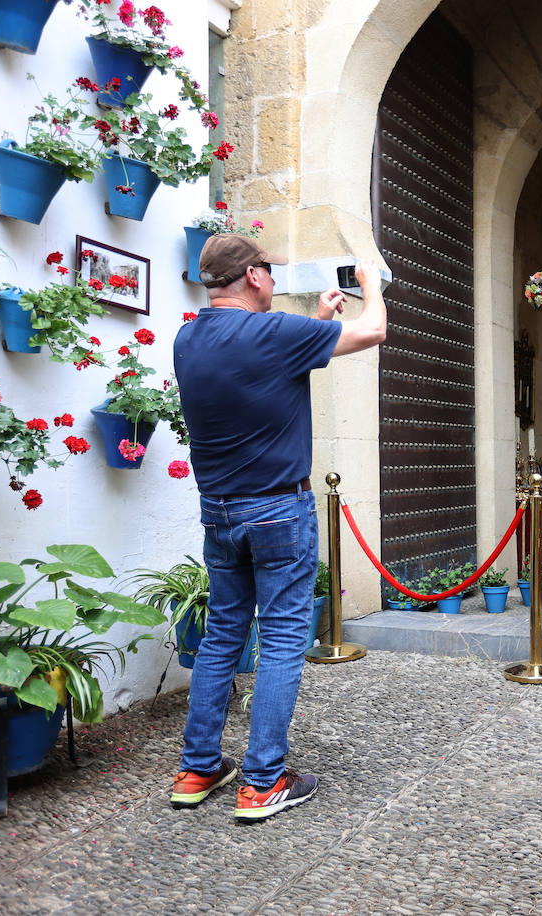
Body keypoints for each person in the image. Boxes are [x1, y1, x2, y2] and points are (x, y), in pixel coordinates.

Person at [168, 233, 386, 822]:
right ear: (257, 277)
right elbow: (374, 333)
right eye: (268, 270)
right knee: (285, 639)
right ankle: (262, 780)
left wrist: (314, 322)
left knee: (222, 635)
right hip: (277, 513)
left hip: (220, 511)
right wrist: (370, 285)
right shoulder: (273, 334)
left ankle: (198, 768)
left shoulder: (187, 340)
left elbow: (261, 377)